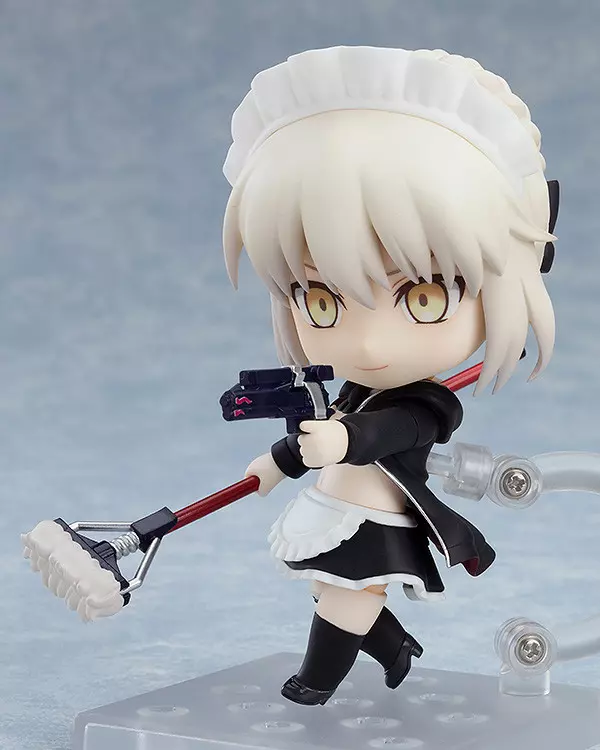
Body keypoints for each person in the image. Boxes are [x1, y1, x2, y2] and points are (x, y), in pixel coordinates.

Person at [222, 46, 556, 706]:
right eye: (322, 301)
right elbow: (329, 430)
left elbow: (391, 431)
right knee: (331, 586)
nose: (369, 341)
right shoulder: (351, 389)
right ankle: (394, 646)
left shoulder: (429, 402)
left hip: (376, 513)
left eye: (422, 297)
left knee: (344, 595)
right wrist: (278, 461)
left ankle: (315, 684)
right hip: (338, 501)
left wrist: (344, 441)